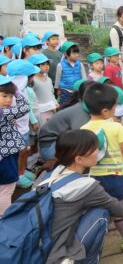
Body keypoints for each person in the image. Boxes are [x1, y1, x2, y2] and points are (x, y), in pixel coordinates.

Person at [37, 129, 123, 264]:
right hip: (57, 253)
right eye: (94, 149)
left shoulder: (49, 172)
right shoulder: (87, 186)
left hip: (41, 241)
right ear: (79, 159)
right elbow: (120, 210)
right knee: (101, 213)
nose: (98, 151)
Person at [80, 83, 123, 252]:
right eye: (114, 106)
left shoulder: (84, 129)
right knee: (119, 210)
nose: (116, 109)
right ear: (105, 111)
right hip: (116, 176)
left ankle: (96, 234)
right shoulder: (116, 127)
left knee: (100, 206)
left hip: (94, 178)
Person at [38, 80, 95, 161]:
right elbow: (80, 137)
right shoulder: (80, 110)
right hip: (50, 148)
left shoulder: (81, 105)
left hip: (57, 144)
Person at [6, 60, 40, 189]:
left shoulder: (23, 90)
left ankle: (21, 172)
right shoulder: (9, 94)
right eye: (31, 76)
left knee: (25, 151)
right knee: (19, 153)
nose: (33, 78)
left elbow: (27, 107)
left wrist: (33, 121)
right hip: (15, 130)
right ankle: (17, 176)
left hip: (24, 128)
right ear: (23, 78)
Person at [0, 75, 30, 216]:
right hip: (5, 158)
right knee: (6, 190)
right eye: (4, 95)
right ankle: (4, 219)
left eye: (11, 96)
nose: (8, 100)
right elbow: (24, 108)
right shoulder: (3, 113)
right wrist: (18, 92)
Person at [29, 54, 59, 126]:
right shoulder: (33, 81)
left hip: (52, 110)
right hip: (40, 112)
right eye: (43, 64)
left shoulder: (48, 79)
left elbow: (51, 93)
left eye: (47, 64)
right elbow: (32, 98)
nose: (46, 66)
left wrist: (55, 102)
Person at [54, 42, 87, 107]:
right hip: (65, 91)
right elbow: (58, 78)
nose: (76, 55)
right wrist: (57, 89)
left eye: (77, 53)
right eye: (74, 53)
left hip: (77, 91)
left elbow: (84, 77)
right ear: (66, 54)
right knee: (65, 107)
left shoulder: (80, 64)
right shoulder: (60, 65)